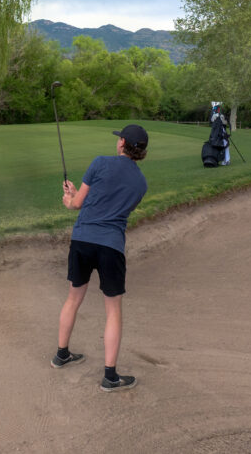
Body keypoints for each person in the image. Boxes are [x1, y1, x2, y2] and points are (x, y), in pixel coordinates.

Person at [51, 124, 148, 393]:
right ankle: (110, 377)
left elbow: (77, 204)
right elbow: (113, 206)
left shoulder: (99, 163)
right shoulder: (141, 183)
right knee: (113, 309)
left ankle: (61, 355)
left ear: (122, 143)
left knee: (73, 298)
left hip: (83, 240)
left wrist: (68, 197)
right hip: (111, 246)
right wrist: (79, 197)